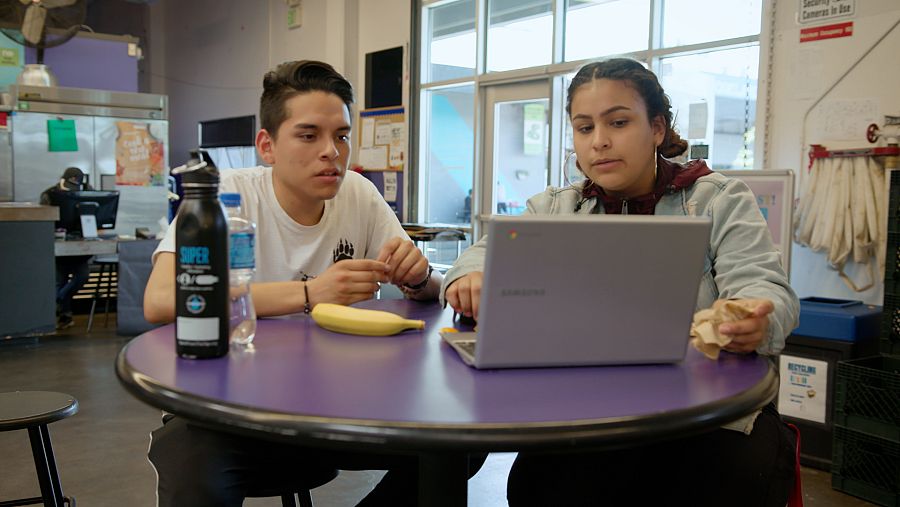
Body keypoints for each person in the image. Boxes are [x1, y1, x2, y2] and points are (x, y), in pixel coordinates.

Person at [442, 58, 800, 507]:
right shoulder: (555, 207)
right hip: (591, 413)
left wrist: (754, 319)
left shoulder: (717, 200)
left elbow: (767, 290)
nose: (600, 142)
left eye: (618, 122)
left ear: (656, 129)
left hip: (709, 418)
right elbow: (477, 256)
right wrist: (467, 278)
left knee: (727, 482)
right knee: (537, 488)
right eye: (584, 127)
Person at [144, 60, 482, 506]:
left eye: (341, 135)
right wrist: (309, 294)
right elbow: (161, 300)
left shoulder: (358, 193)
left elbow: (430, 286)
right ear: (267, 145)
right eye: (309, 135)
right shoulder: (226, 197)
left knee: (459, 445)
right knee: (190, 460)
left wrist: (419, 278)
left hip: (342, 403)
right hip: (231, 408)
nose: (332, 152)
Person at [41, 167, 93, 329]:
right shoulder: (49, 195)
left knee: (82, 276)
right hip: (57, 244)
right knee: (60, 279)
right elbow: (43, 220)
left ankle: (58, 299)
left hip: (80, 244)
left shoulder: (87, 192)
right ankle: (64, 315)